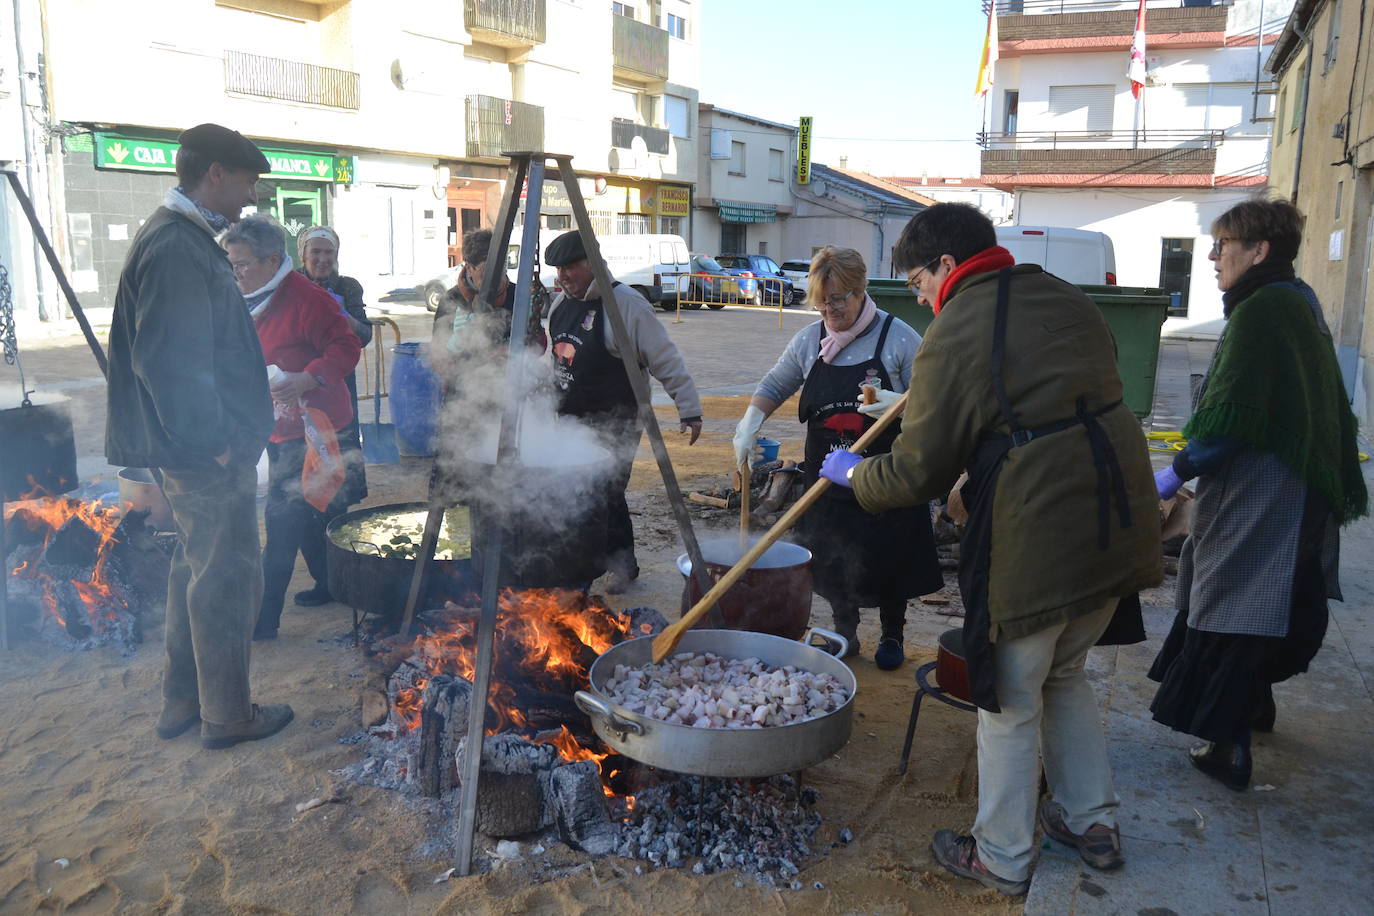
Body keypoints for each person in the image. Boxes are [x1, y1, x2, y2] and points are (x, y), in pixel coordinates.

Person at [819, 203, 1161, 895]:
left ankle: (1002, 856)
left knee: (1005, 696)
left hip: (1045, 531)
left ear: (947, 266)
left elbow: (918, 473)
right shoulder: (1064, 294)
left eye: (916, 279)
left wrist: (855, 475)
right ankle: (1092, 820)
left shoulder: (956, 327)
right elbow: (1049, 405)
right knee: (1063, 675)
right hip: (1118, 514)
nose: (916, 295)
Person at [1149, 198, 1366, 790]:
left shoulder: (1263, 311)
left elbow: (1231, 421)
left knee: (1234, 601)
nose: (1215, 257)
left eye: (1225, 246)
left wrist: (1174, 474)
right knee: (1268, 597)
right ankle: (1256, 707)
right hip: (1294, 487)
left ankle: (1230, 745)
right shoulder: (1295, 299)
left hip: (1261, 489)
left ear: (1260, 251)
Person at [104, 123, 293, 750]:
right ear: (215, 174)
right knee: (228, 574)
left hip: (192, 448)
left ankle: (184, 700)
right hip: (204, 452)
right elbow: (168, 361)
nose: (250, 197)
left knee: (195, 566)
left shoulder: (182, 238)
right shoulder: (177, 246)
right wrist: (213, 439)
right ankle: (228, 714)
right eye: (245, 182)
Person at [731, 246, 941, 668]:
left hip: (884, 476)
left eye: (839, 298)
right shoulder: (812, 339)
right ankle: (845, 634)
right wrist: (751, 419)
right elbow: (779, 380)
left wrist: (900, 403)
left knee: (890, 557)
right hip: (827, 475)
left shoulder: (897, 337)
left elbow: (934, 400)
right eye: (822, 300)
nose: (830, 308)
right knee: (832, 558)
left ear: (861, 291)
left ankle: (892, 636)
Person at [224, 216, 361, 641]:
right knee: (312, 513)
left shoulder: (308, 298)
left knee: (282, 522)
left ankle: (263, 622)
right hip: (274, 423)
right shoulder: (244, 296)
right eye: (231, 263)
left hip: (314, 425)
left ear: (273, 260)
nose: (236, 272)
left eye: (243, 264)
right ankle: (333, 584)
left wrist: (307, 377)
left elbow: (348, 346)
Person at [544, 229, 703, 593]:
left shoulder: (626, 304)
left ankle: (605, 569)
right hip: (569, 420)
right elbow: (555, 360)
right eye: (558, 269)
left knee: (602, 492)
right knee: (579, 492)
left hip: (617, 421)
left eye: (571, 267)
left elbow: (664, 357)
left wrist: (689, 408)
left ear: (593, 263)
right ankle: (608, 563)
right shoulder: (560, 305)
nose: (563, 276)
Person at [297, 226, 370, 532]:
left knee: (340, 453)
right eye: (316, 252)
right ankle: (310, 521)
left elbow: (364, 335)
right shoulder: (292, 284)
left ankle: (339, 527)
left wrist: (343, 316)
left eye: (329, 253)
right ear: (303, 254)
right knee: (304, 461)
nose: (322, 259)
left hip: (339, 385)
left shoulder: (348, 287)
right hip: (300, 387)